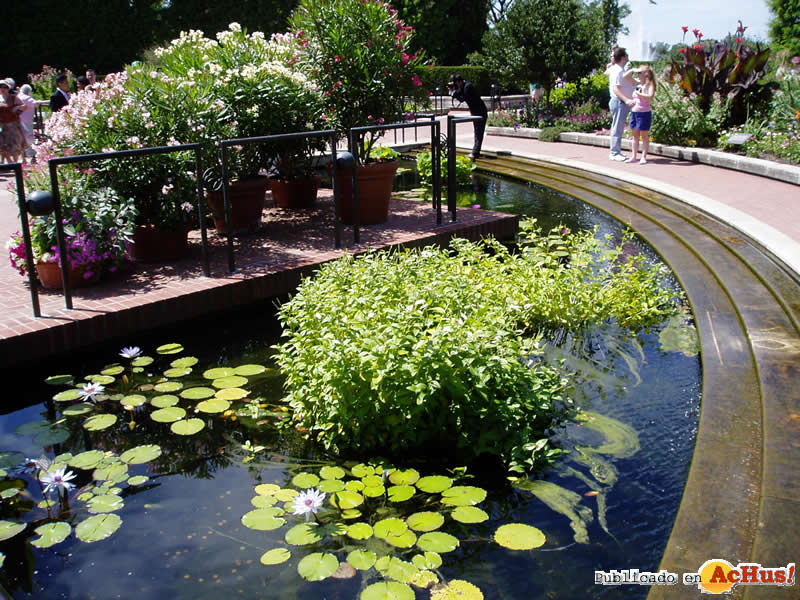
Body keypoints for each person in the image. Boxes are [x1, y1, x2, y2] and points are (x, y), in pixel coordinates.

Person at [449, 74, 488, 160]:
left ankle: (475, 153)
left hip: (480, 112)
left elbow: (462, 98)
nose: (456, 86)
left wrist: (454, 93)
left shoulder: (468, 86)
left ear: (459, 82)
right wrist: (453, 92)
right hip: (475, 112)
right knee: (477, 132)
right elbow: (458, 94)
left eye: (456, 84)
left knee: (478, 132)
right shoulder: (464, 86)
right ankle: (476, 152)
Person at [607, 47, 635, 161]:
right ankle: (614, 153)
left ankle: (616, 151)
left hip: (620, 102)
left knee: (618, 127)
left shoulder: (618, 69)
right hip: (619, 102)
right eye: (627, 56)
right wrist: (626, 100)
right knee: (617, 127)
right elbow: (616, 89)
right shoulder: (618, 70)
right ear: (623, 58)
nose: (628, 57)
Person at [626, 65, 656, 164]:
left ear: (646, 74)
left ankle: (643, 156)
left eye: (640, 72)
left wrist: (639, 94)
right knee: (635, 136)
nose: (638, 74)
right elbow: (625, 77)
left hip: (644, 113)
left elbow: (650, 97)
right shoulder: (638, 83)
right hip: (635, 112)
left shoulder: (649, 85)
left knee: (644, 136)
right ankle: (634, 156)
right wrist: (632, 70)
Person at [0, 78, 27, 163]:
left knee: (15, 145)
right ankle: (9, 162)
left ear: (8, 88)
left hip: (13, 125)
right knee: (3, 146)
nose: (2, 89)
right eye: (0, 87)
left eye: (5, 87)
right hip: (2, 126)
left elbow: (24, 106)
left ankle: (15, 164)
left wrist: (17, 108)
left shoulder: (13, 98)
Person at [16, 84, 36, 161]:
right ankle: (32, 156)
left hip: (17, 121)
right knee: (29, 139)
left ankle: (23, 157)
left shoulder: (17, 97)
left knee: (20, 140)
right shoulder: (27, 98)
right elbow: (35, 104)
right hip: (27, 122)